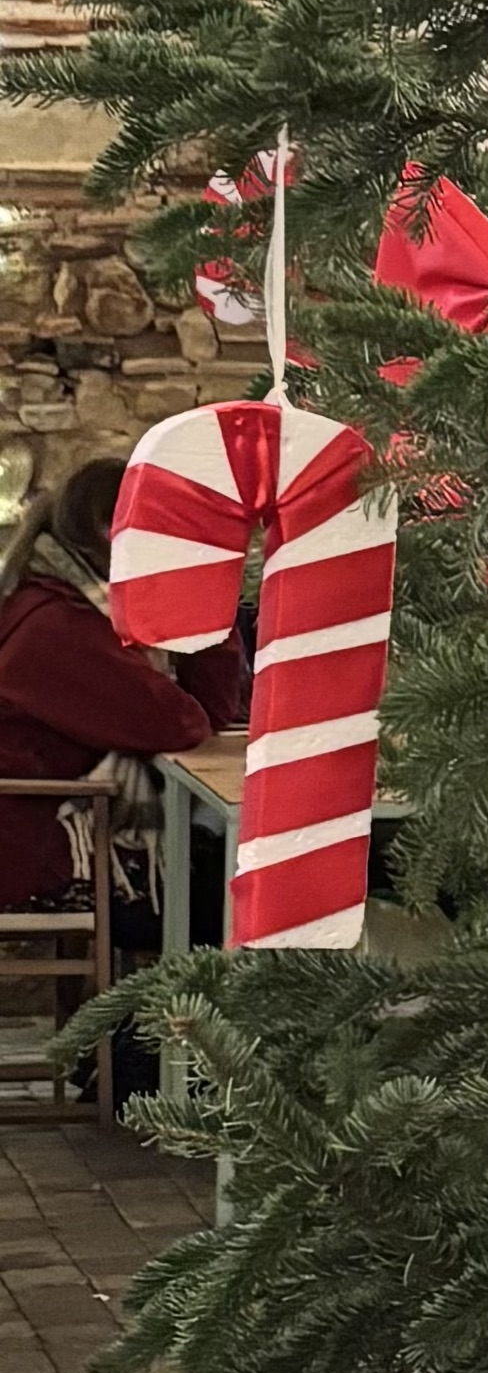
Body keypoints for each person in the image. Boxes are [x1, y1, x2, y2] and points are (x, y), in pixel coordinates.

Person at [0, 458, 247, 1096]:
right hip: (37, 851)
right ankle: (142, 1072)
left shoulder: (63, 604)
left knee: (214, 874)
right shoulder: (55, 626)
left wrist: (198, 615)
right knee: (225, 894)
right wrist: (203, 610)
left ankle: (135, 1065)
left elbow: (202, 716)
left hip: (51, 833)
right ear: (114, 534)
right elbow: (180, 722)